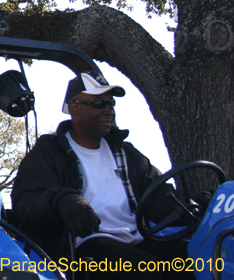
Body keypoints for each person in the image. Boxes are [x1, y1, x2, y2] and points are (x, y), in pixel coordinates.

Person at [11, 71, 194, 280]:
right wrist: (62, 201)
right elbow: (26, 202)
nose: (109, 111)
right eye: (99, 103)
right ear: (75, 108)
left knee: (197, 261)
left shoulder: (127, 154)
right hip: (84, 247)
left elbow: (158, 196)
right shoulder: (49, 153)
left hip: (136, 238)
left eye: (111, 104)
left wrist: (190, 204)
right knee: (145, 271)